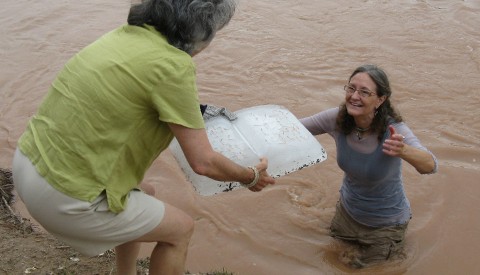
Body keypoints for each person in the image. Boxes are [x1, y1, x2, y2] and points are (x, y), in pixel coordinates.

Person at [11, 0, 275, 274]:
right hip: (64, 197)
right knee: (180, 230)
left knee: (145, 192)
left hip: (28, 166)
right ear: (203, 31)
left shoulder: (122, 36)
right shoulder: (174, 65)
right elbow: (204, 162)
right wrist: (250, 177)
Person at [300, 64, 437, 268]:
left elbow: (431, 165)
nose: (355, 96)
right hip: (346, 216)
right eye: (351, 88)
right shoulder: (338, 118)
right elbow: (293, 128)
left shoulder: (394, 130)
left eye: (364, 92)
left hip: (385, 227)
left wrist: (404, 151)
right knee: (331, 263)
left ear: (380, 100)